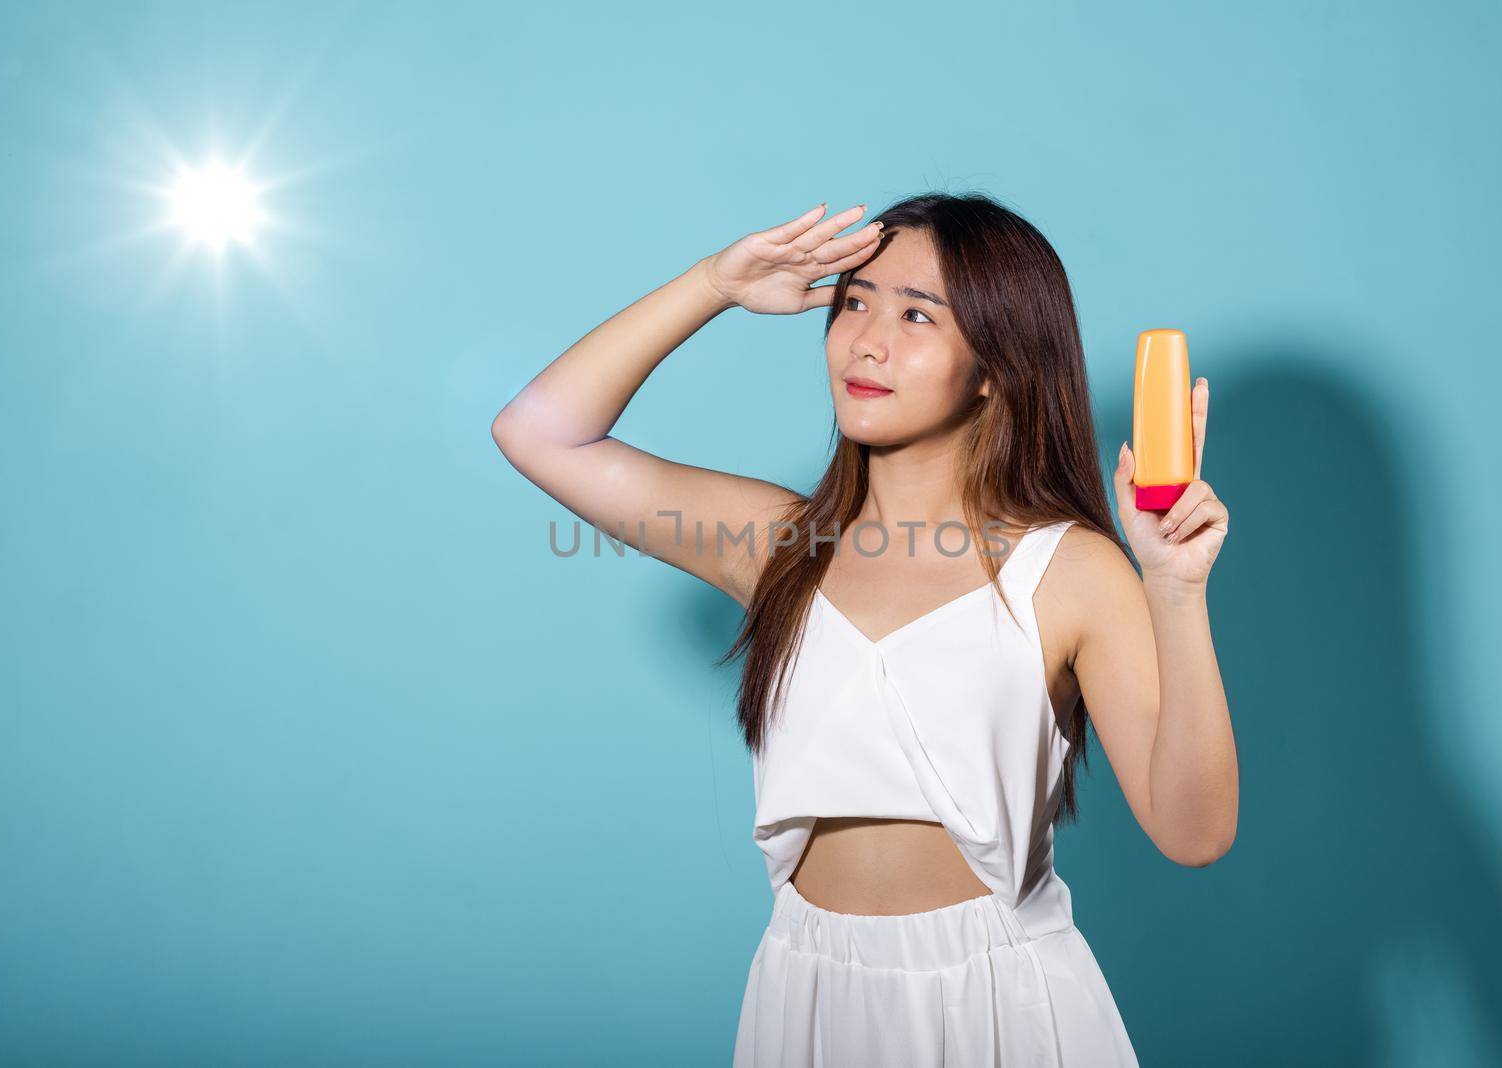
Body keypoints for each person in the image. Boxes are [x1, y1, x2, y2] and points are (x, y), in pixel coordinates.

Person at [491, 192, 1237, 1066]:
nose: (867, 342)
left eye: (917, 313)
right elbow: (539, 433)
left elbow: (1195, 835)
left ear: (997, 366)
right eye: (855, 302)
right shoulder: (778, 546)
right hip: (806, 989)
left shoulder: (1070, 572)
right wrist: (714, 284)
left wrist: (1175, 591)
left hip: (997, 1000)